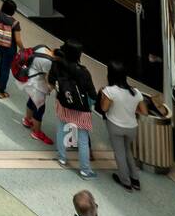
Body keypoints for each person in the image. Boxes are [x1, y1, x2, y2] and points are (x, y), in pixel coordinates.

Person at [50, 40, 98, 178]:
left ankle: (62, 158)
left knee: (61, 130)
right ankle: (85, 170)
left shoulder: (57, 64)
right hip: (81, 108)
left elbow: (52, 82)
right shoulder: (83, 72)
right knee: (83, 139)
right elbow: (92, 94)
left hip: (63, 103)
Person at [100, 60, 146, 192]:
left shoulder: (110, 91)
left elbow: (104, 108)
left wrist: (103, 95)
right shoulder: (135, 92)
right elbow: (144, 112)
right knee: (127, 151)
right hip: (132, 127)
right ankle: (135, 179)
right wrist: (130, 109)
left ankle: (125, 181)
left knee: (119, 154)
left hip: (115, 126)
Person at [21, 44, 56, 145]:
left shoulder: (43, 47)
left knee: (31, 100)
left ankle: (27, 120)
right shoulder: (49, 63)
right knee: (40, 109)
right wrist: (50, 89)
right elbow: (47, 79)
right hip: (36, 84)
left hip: (27, 78)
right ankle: (37, 132)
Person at [0, 0, 23, 99]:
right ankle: (2, 91)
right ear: (13, 11)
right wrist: (23, 48)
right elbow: (17, 40)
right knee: (6, 67)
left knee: (2, 61)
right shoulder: (15, 23)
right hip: (9, 48)